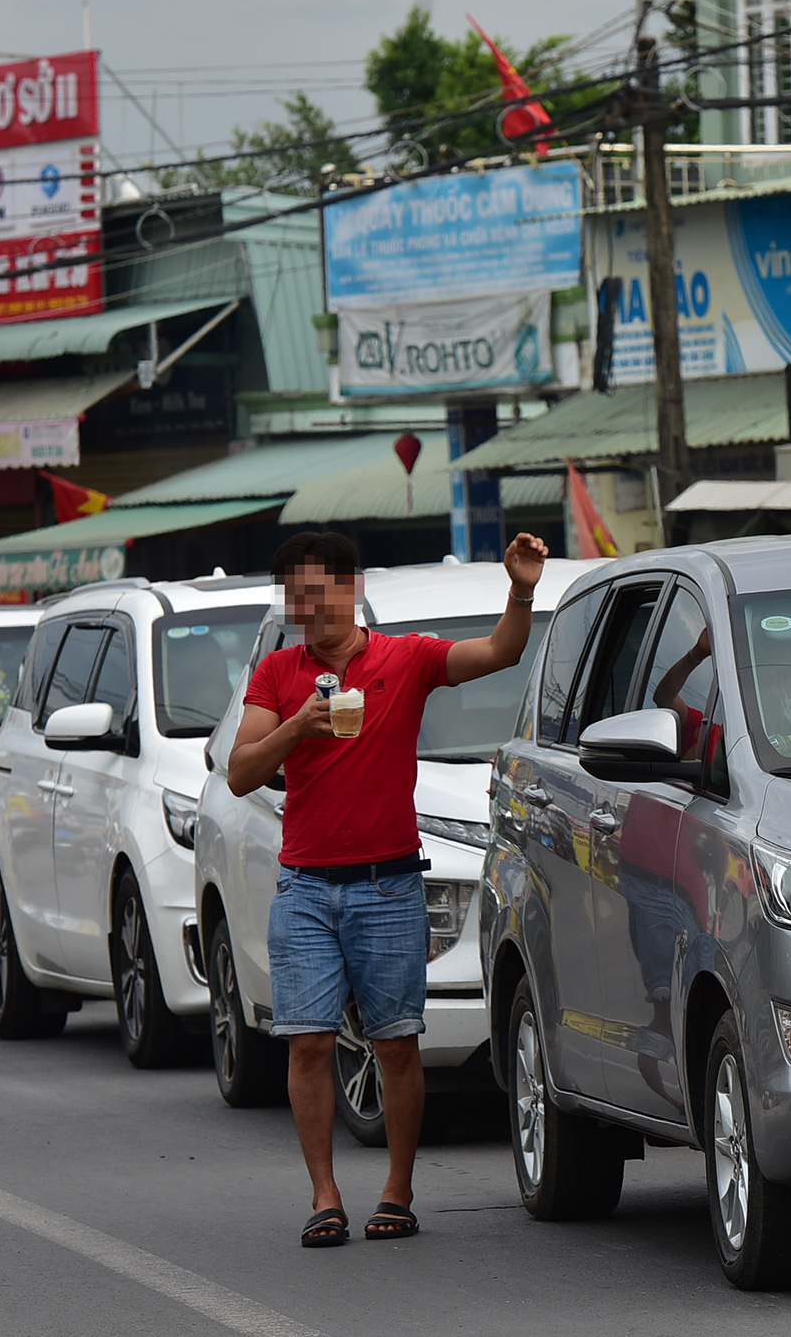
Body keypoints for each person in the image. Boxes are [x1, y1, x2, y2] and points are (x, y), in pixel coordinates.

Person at [227, 529, 548, 1248]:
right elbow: (242, 772)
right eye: (297, 596)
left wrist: (521, 590)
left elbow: (499, 652)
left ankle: (398, 1190)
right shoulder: (279, 674)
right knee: (307, 1044)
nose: (311, 607)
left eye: (322, 590)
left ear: (353, 587)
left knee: (395, 1043)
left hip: (389, 884)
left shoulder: (406, 659)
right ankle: (324, 1196)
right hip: (306, 886)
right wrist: (298, 729)